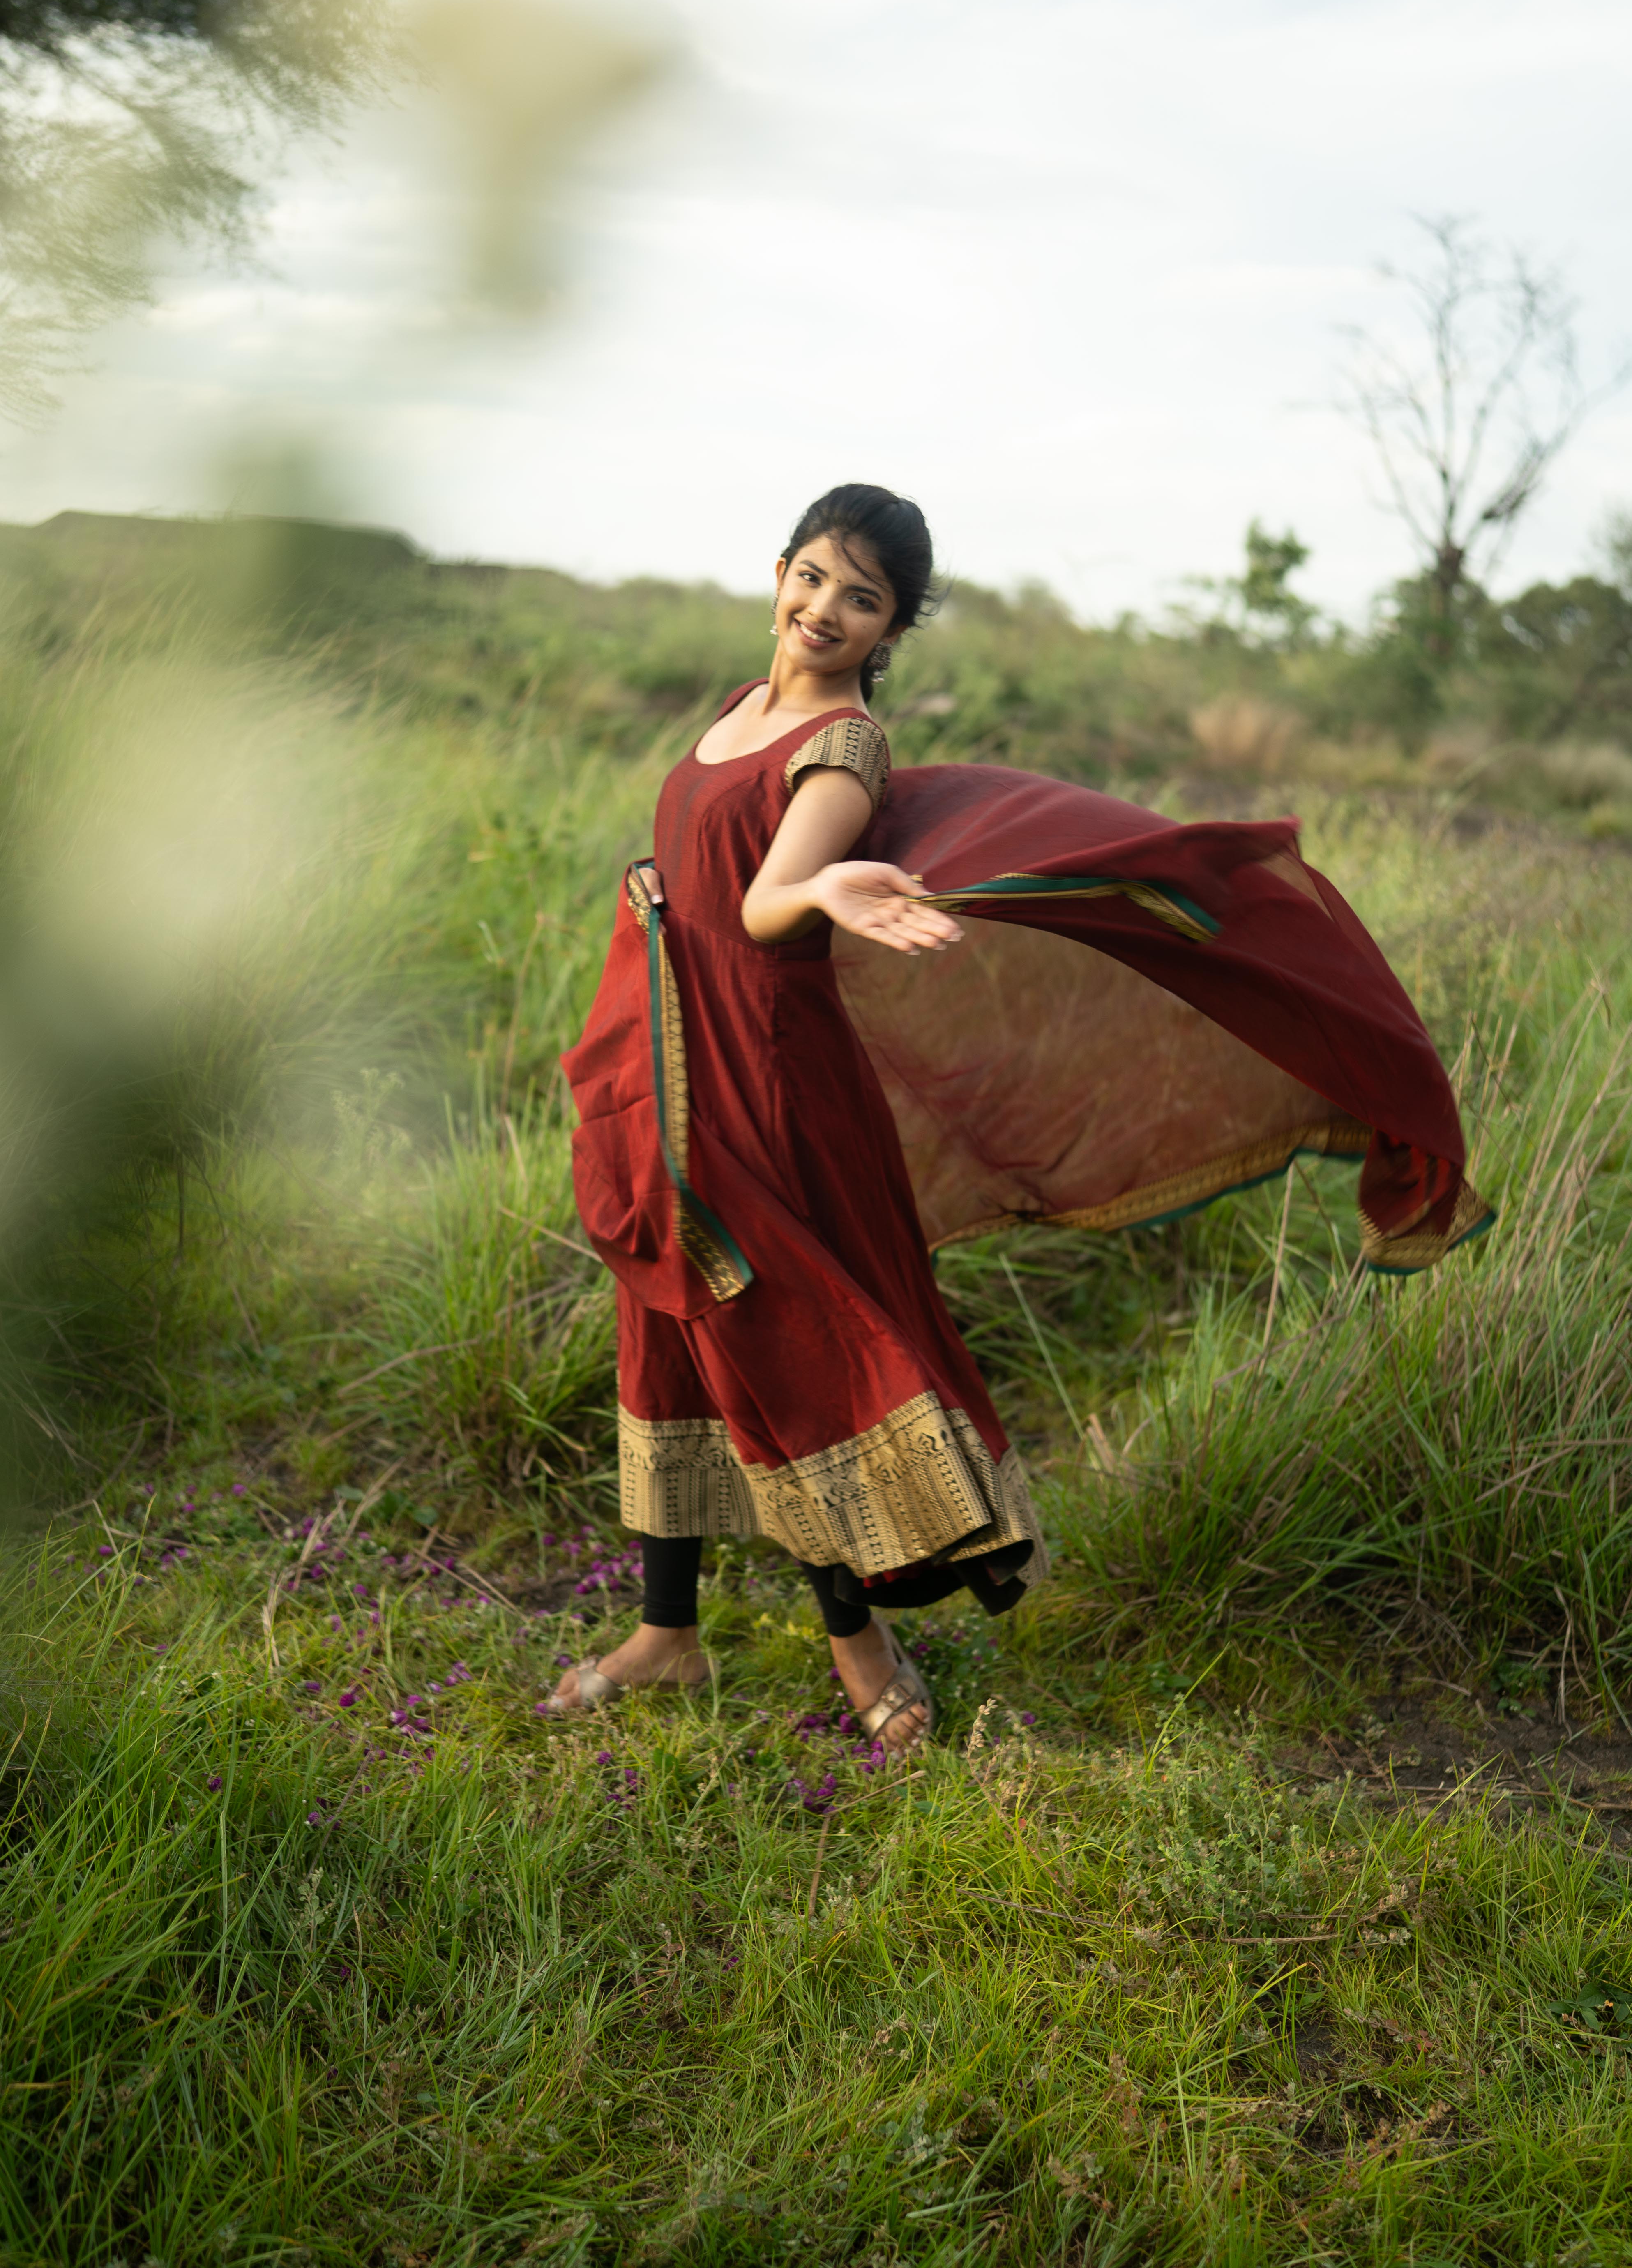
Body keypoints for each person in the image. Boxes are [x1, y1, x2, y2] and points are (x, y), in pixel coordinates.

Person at [556, 483, 1488, 1750]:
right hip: (677, 1069)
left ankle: (860, 1645)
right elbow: (714, 872)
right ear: (778, 569)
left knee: (789, 1354)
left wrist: (823, 884)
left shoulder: (839, 746)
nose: (828, 609)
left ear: (892, 632)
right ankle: (667, 1636)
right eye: (818, 576)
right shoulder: (741, 713)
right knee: (667, 1335)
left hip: (768, 1094)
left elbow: (769, 906)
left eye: (864, 599)